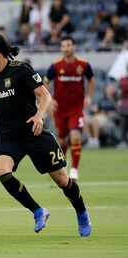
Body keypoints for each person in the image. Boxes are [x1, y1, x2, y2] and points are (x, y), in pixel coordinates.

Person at [0, 34, 91, 237]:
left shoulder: (21, 70)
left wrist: (39, 116)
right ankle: (38, 211)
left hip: (34, 133)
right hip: (8, 138)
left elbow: (45, 95)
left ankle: (81, 211)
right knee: (2, 171)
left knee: (62, 180)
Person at [45, 36, 95, 180]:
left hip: (76, 108)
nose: (66, 48)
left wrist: (89, 97)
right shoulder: (55, 66)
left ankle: (74, 169)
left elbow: (91, 80)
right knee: (61, 141)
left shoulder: (84, 65)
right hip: (60, 109)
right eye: (64, 46)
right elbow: (45, 83)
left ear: (73, 47)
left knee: (75, 136)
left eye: (69, 45)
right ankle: (63, 166)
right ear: (61, 49)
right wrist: (49, 100)